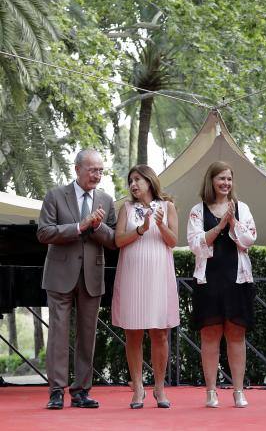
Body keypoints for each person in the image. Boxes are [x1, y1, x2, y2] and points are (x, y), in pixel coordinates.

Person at [37, 149, 117, 410]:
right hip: (60, 276)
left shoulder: (106, 199)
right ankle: (56, 391)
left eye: (100, 170)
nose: (97, 175)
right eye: (92, 169)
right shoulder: (55, 196)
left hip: (92, 277)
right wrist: (79, 227)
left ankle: (81, 391)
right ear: (77, 169)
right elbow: (44, 233)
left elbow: (113, 240)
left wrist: (96, 226)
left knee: (87, 336)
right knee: (58, 335)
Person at [187, 161, 257, 409]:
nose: (226, 183)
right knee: (210, 335)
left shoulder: (242, 208)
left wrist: (232, 223)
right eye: (221, 179)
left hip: (236, 279)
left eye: (229, 179)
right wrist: (218, 226)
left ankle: (238, 391)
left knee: (236, 334)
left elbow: (249, 240)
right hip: (209, 281)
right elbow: (195, 244)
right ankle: (211, 391)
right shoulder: (198, 210)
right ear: (211, 181)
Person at [111, 164, 179, 409]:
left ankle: (159, 388)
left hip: (158, 275)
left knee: (160, 332)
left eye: (138, 179)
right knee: (133, 332)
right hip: (132, 275)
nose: (133, 184)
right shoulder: (126, 209)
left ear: (150, 182)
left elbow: (173, 241)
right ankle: (138, 387)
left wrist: (160, 225)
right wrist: (141, 228)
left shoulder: (167, 206)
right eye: (130, 180)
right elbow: (118, 240)